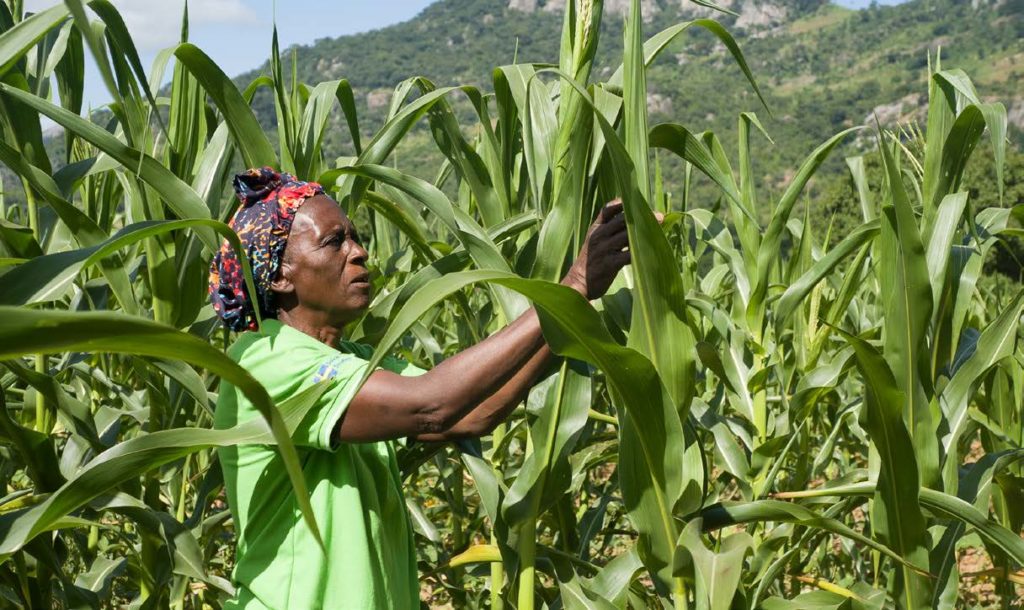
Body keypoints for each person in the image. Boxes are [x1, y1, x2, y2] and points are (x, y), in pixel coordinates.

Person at [208, 167, 638, 609]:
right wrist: (570, 288)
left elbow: (471, 413)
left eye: (355, 238)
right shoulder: (266, 361)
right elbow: (431, 404)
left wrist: (575, 301)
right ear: (279, 275)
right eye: (334, 241)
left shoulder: (353, 361)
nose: (359, 254)